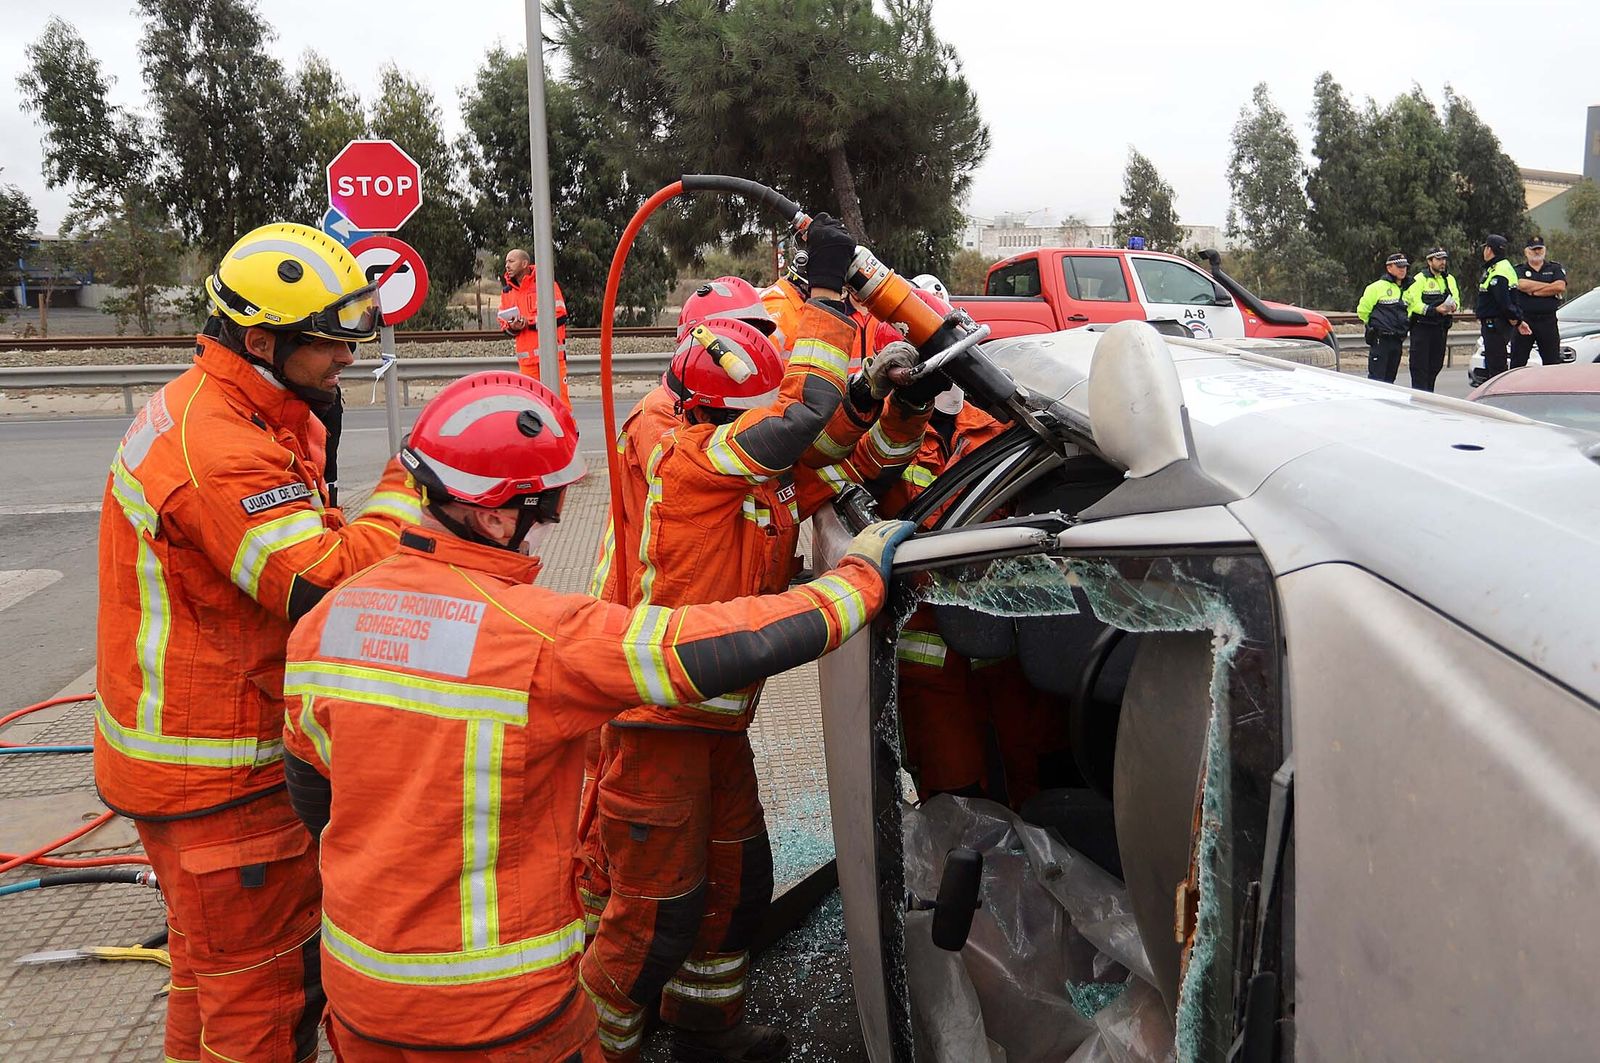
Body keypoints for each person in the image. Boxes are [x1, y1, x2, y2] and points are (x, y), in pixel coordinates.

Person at [279, 371, 912, 1061]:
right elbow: (702, 647)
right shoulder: (536, 634)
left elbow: (314, 795)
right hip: (502, 1016)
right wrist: (858, 581)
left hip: (361, 999)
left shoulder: (326, 621)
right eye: (546, 512)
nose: (547, 531)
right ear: (495, 518)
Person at [579, 215, 939, 1063]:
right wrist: (826, 299)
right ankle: (595, 1046)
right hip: (658, 722)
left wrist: (892, 400)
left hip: (714, 722)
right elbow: (800, 416)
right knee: (653, 917)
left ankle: (707, 1029)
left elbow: (846, 457)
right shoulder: (682, 453)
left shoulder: (748, 466)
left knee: (738, 884)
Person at [93, 222, 420, 1063]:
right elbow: (319, 582)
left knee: (207, 975)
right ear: (263, 340)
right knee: (267, 995)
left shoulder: (238, 405)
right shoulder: (220, 447)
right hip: (218, 777)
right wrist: (409, 488)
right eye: (329, 341)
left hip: (186, 760)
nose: (347, 356)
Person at [500, 247, 571, 402]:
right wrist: (513, 327)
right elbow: (504, 324)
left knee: (559, 404)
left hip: (552, 358)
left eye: (511, 261)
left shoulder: (545, 284)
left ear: (524, 263)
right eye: (506, 262)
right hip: (527, 362)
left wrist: (529, 322)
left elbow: (560, 316)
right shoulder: (507, 292)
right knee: (533, 404)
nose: (507, 266)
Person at [1403, 247, 1461, 392]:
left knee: (1435, 366)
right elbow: (1414, 304)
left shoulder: (1449, 279)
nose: (1443, 262)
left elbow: (1456, 298)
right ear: (1429, 261)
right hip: (1422, 329)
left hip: (1440, 329)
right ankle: (1419, 399)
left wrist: (1454, 306)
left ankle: (1429, 397)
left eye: (1444, 259)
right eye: (1438, 259)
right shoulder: (1419, 279)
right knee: (1419, 368)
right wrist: (1434, 310)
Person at [1476, 234, 1527, 380]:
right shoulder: (1501, 267)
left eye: (1485, 248)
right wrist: (1518, 320)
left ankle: (1498, 394)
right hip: (1497, 324)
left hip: (1496, 325)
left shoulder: (1499, 271)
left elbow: (1504, 302)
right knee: (1495, 364)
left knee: (1496, 368)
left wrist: (1517, 320)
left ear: (1489, 249)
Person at [1511, 236, 1566, 369]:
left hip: (1548, 321)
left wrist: (1533, 291)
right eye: (1533, 249)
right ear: (1526, 251)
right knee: (1518, 362)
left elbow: (1560, 287)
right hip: (1525, 321)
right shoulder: (1519, 270)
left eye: (1539, 249)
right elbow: (1521, 284)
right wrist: (1549, 287)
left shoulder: (1554, 268)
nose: (1537, 252)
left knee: (1552, 363)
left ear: (1544, 250)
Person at [1356, 252, 1412, 383]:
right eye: (1399, 266)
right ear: (1389, 268)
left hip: (1397, 339)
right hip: (1381, 339)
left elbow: (1410, 310)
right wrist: (1375, 325)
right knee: (1377, 379)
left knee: (1390, 379)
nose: (1403, 270)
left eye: (1404, 266)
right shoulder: (1376, 287)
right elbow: (1363, 311)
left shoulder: (1408, 288)